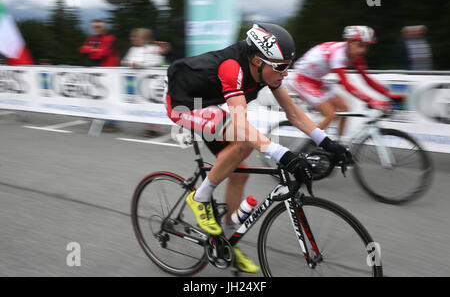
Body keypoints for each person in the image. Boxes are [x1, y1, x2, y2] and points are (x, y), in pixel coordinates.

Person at [165, 23, 349, 273]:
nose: (286, 73)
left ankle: (228, 241)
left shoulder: (267, 70)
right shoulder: (232, 67)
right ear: (256, 61)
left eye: (288, 65)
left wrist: (327, 142)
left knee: (241, 174)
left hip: (210, 104)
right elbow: (240, 124)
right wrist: (283, 154)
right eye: (281, 66)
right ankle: (199, 198)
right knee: (243, 140)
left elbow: (293, 113)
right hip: (184, 103)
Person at [291, 25, 403, 139]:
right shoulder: (338, 54)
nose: (363, 50)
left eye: (366, 46)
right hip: (301, 80)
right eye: (360, 45)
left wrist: (389, 94)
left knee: (344, 110)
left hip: (317, 81)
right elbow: (346, 84)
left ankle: (338, 146)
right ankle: (309, 147)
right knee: (330, 115)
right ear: (350, 42)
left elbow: (367, 79)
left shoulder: (357, 56)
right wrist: (371, 101)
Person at [122, 28, 170, 137]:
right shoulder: (132, 49)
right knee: (143, 105)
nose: (133, 39)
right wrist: (131, 64)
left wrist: (141, 64)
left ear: (143, 38)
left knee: (152, 104)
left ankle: (154, 128)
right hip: (138, 83)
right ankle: (150, 128)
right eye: (132, 37)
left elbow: (158, 61)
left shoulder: (153, 48)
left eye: (136, 37)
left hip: (151, 82)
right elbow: (125, 61)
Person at [79, 20, 120, 132]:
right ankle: (101, 118)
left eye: (98, 27)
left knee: (111, 97)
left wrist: (91, 51)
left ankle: (113, 123)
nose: (96, 29)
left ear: (104, 28)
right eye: (94, 27)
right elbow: (82, 50)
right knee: (99, 96)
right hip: (97, 73)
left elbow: (102, 53)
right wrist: (95, 50)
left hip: (110, 72)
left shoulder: (110, 38)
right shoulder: (91, 39)